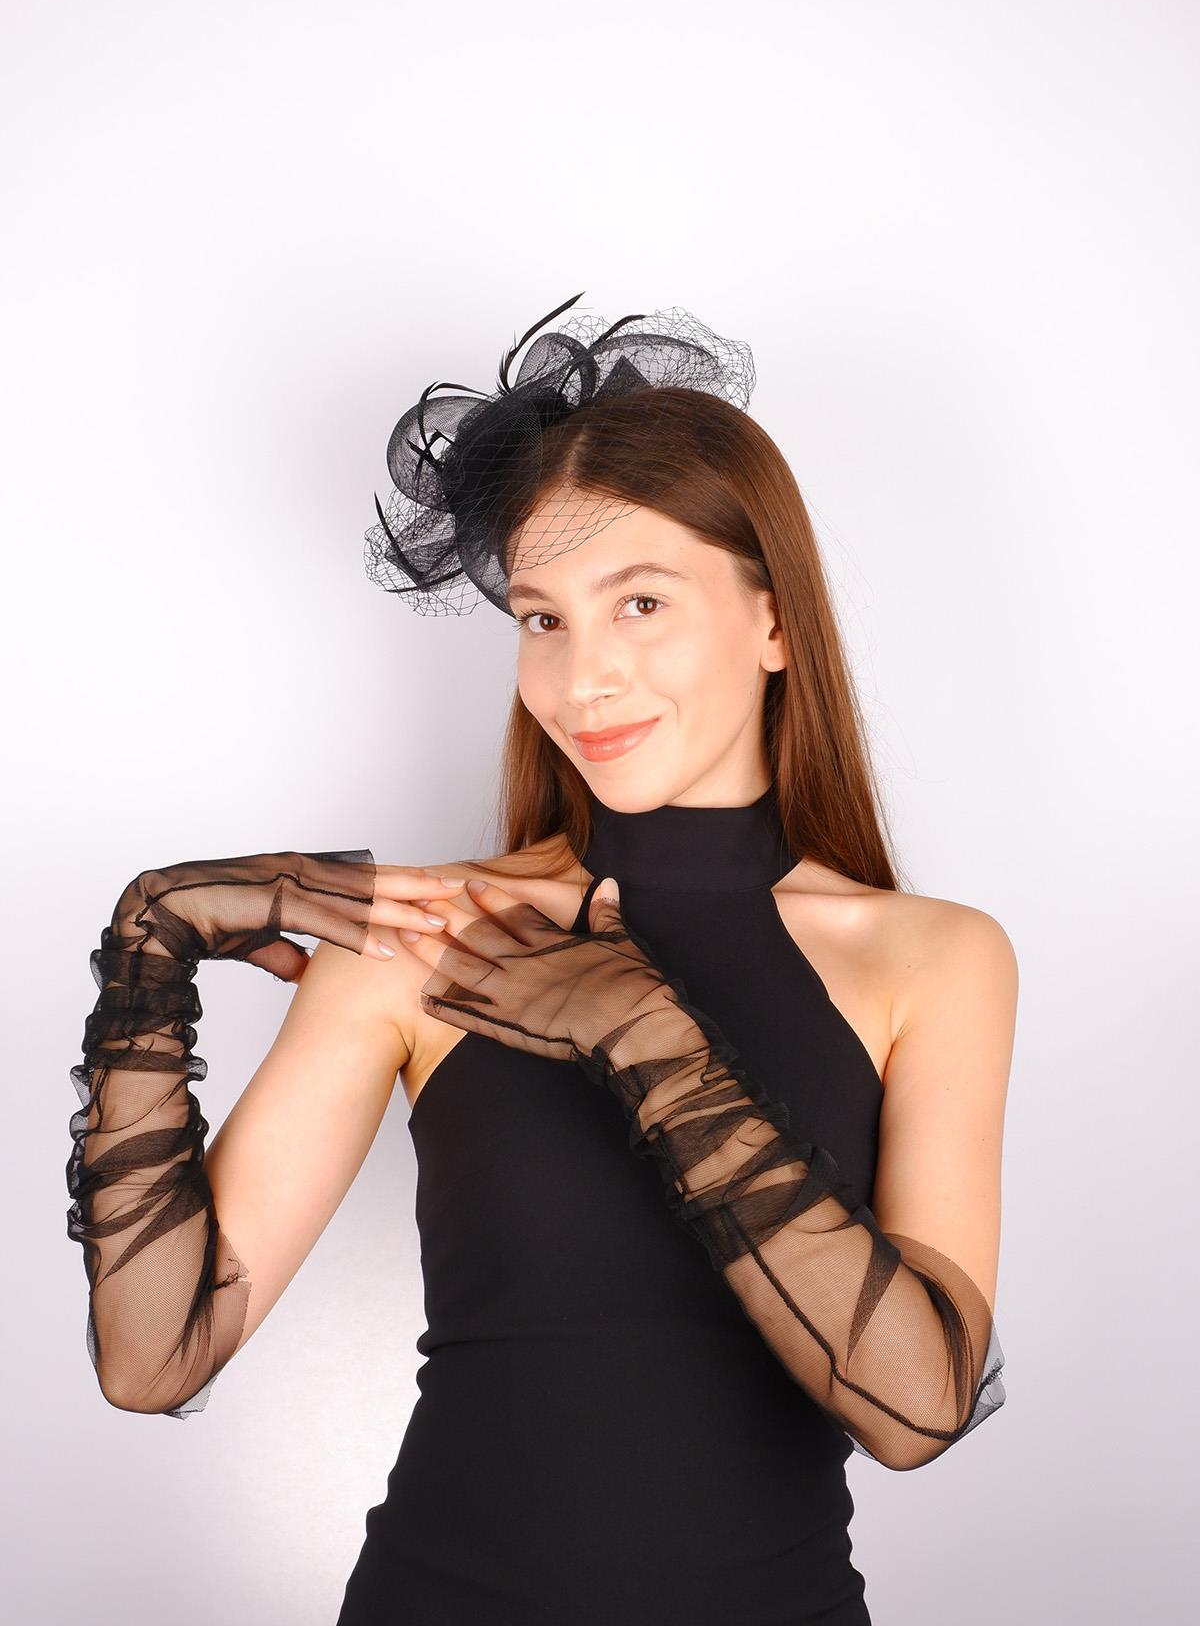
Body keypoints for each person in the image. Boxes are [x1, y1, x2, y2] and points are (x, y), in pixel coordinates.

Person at [67, 297, 1016, 1623]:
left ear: (774, 624)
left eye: (641, 602)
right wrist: (148, 956)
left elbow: (916, 1407)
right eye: (543, 619)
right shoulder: (426, 938)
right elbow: (153, 1358)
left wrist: (643, 1034)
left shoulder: (937, 958)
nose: (584, 678)